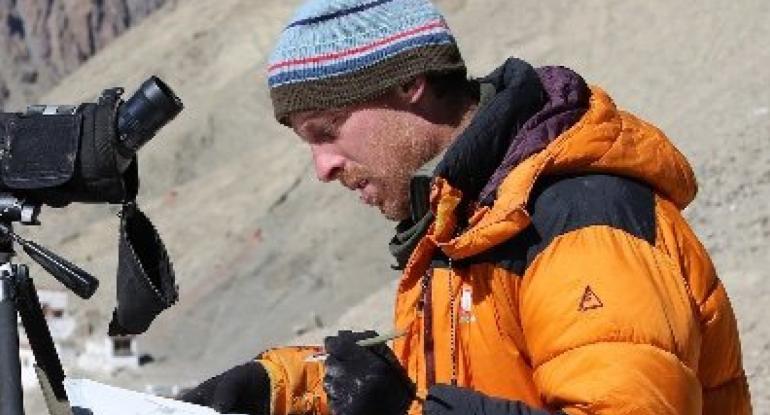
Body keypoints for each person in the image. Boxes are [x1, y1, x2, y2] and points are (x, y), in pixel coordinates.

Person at [180, 0, 752, 414]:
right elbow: (457, 382)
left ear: (409, 83)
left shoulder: (579, 220)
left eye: (327, 131)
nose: (323, 168)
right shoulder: (464, 217)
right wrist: (279, 387)